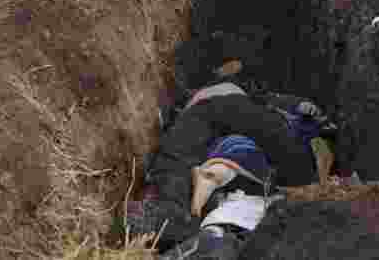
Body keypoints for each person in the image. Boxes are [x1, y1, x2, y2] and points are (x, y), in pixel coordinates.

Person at [128, 75, 336, 257]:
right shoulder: (245, 97)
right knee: (297, 172)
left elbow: (174, 157)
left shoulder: (203, 100)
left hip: (211, 118)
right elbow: (279, 108)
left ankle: (169, 215)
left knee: (176, 162)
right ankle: (173, 218)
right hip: (237, 124)